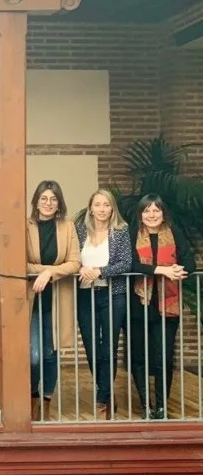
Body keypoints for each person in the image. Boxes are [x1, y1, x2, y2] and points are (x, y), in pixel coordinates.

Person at [128, 194, 195, 420]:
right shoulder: (132, 234)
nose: (152, 215)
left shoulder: (175, 233)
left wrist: (177, 270)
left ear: (163, 213)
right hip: (138, 304)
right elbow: (130, 264)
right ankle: (145, 405)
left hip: (168, 305)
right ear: (140, 215)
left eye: (156, 210)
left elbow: (189, 263)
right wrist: (161, 270)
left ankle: (161, 406)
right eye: (147, 210)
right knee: (138, 356)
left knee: (163, 357)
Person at [74, 189, 131, 420]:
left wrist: (100, 271)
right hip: (85, 295)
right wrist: (80, 268)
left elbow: (126, 262)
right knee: (91, 346)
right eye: (97, 204)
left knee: (108, 346)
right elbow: (72, 258)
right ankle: (106, 391)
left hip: (112, 295)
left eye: (106, 205)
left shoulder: (121, 231)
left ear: (112, 208)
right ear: (90, 208)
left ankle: (103, 397)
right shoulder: (80, 231)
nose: (102, 209)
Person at [26, 180, 80, 421]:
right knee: (34, 356)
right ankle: (32, 397)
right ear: (36, 201)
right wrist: (46, 270)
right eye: (44, 198)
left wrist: (49, 273)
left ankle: (46, 401)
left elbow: (75, 262)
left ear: (59, 203)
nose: (48, 203)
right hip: (31, 300)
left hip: (57, 299)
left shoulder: (68, 227)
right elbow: (19, 263)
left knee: (51, 354)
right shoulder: (25, 226)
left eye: (53, 199)